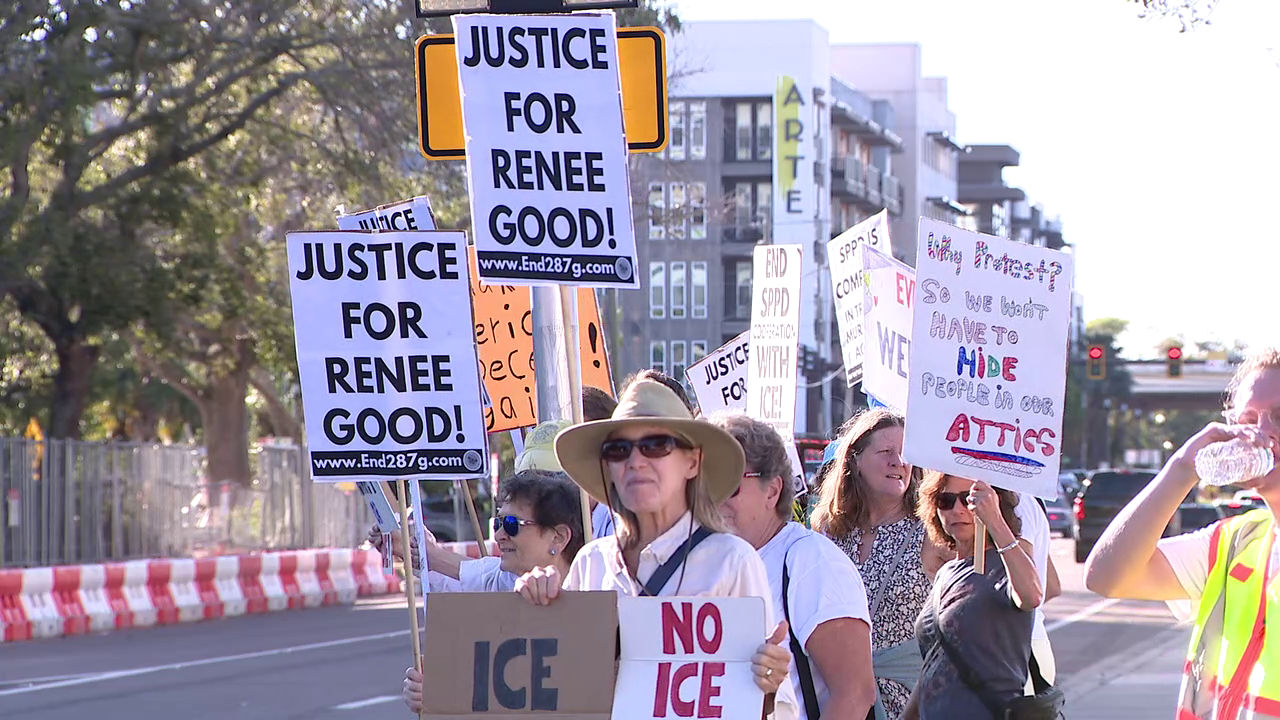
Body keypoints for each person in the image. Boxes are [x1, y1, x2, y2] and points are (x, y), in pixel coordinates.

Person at [513, 377, 798, 720]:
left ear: (692, 462)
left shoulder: (730, 561)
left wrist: (767, 683)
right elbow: (559, 691)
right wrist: (538, 606)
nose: (635, 461)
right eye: (618, 449)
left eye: (656, 445)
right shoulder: (592, 562)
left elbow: (763, 707)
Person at [1084, 347, 1280, 717]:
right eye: (1248, 419)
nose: (1263, 433)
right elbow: (1107, 577)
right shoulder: (1235, 543)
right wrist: (1180, 470)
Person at [711, 411, 877, 720]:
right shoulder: (711, 565)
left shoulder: (811, 562)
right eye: (707, 483)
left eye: (729, 485)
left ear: (772, 491)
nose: (715, 498)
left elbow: (855, 694)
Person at [810, 409, 950, 719]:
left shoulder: (930, 532)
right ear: (855, 460)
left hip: (909, 702)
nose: (898, 462)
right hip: (835, 696)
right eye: (886, 452)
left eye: (904, 454)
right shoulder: (827, 533)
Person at [904, 473, 1043, 720]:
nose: (957, 509)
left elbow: (1031, 596)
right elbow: (936, 662)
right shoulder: (946, 572)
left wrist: (995, 522)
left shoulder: (1006, 563)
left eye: (968, 499)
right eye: (945, 501)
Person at [1011, 490, 1062, 691]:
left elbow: (1027, 588)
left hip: (1014, 654)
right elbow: (1051, 587)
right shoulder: (1027, 499)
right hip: (1028, 645)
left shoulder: (1014, 502)